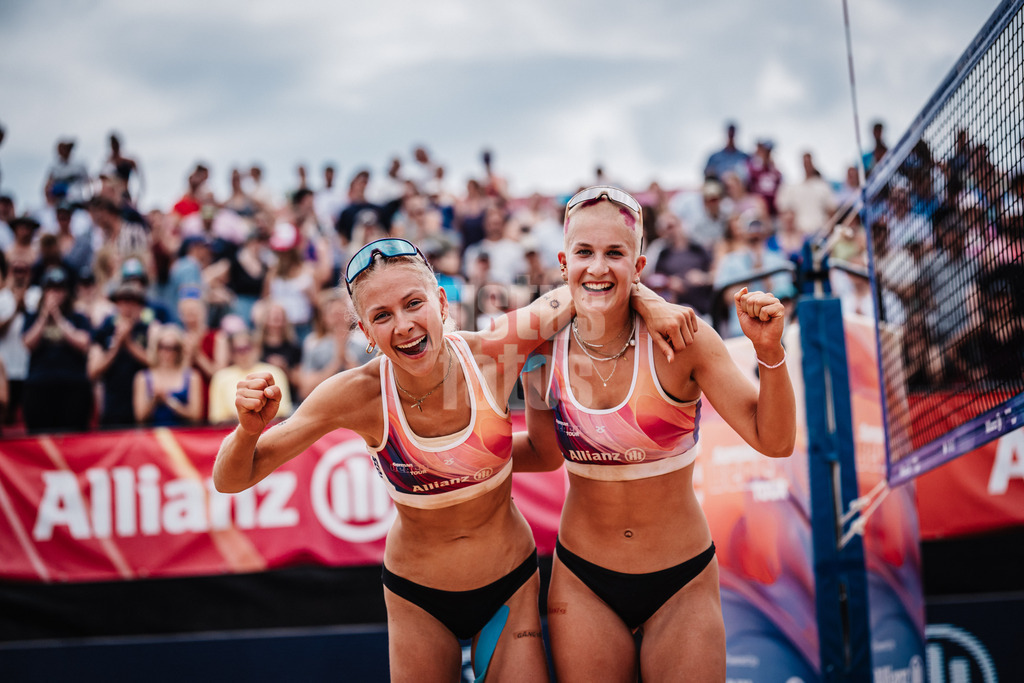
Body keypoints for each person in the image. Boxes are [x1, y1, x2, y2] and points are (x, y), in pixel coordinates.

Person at [213, 236, 697, 681]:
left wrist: (651, 302)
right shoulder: (354, 395)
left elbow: (586, 285)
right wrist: (247, 430)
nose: (403, 326)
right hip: (417, 599)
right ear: (364, 331)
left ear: (442, 303)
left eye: (413, 303)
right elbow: (232, 478)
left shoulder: (493, 353)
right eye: (381, 316)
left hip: (508, 586)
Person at [518, 186, 796, 682]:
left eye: (615, 254)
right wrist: (451, 460)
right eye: (584, 252)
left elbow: (774, 440)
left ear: (639, 265)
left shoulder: (682, 340)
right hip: (584, 582)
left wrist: (769, 354)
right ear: (564, 262)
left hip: (681, 580)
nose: (598, 267)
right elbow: (543, 452)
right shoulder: (541, 349)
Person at [21, 266, 93, 433]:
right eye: (51, 288)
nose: (55, 293)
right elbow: (28, 344)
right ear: (44, 291)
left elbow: (83, 343)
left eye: (59, 289)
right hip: (39, 387)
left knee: (73, 437)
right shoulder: (32, 317)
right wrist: (45, 316)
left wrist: (59, 318)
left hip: (73, 386)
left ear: (66, 292)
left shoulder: (78, 317)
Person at [88, 281, 154, 428]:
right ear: (117, 305)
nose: (128, 307)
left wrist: (129, 343)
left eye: (132, 302)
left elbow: (155, 363)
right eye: (123, 302)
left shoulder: (148, 330)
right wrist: (117, 345)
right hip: (112, 406)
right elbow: (93, 371)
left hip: (142, 408)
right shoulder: (104, 330)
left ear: (140, 306)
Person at [207, 329, 293, 425]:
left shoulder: (275, 372)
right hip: (232, 430)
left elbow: (283, 412)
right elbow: (217, 418)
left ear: (256, 348)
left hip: (269, 428)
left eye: (246, 348)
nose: (243, 354)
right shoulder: (220, 377)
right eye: (238, 350)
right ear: (231, 353)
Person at [133, 324, 203, 427]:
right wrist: (154, 401)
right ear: (156, 348)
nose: (167, 353)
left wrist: (170, 402)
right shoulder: (142, 377)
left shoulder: (192, 377)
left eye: (173, 348)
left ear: (179, 351)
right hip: (152, 438)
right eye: (163, 347)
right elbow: (139, 418)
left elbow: (196, 416)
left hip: (183, 437)